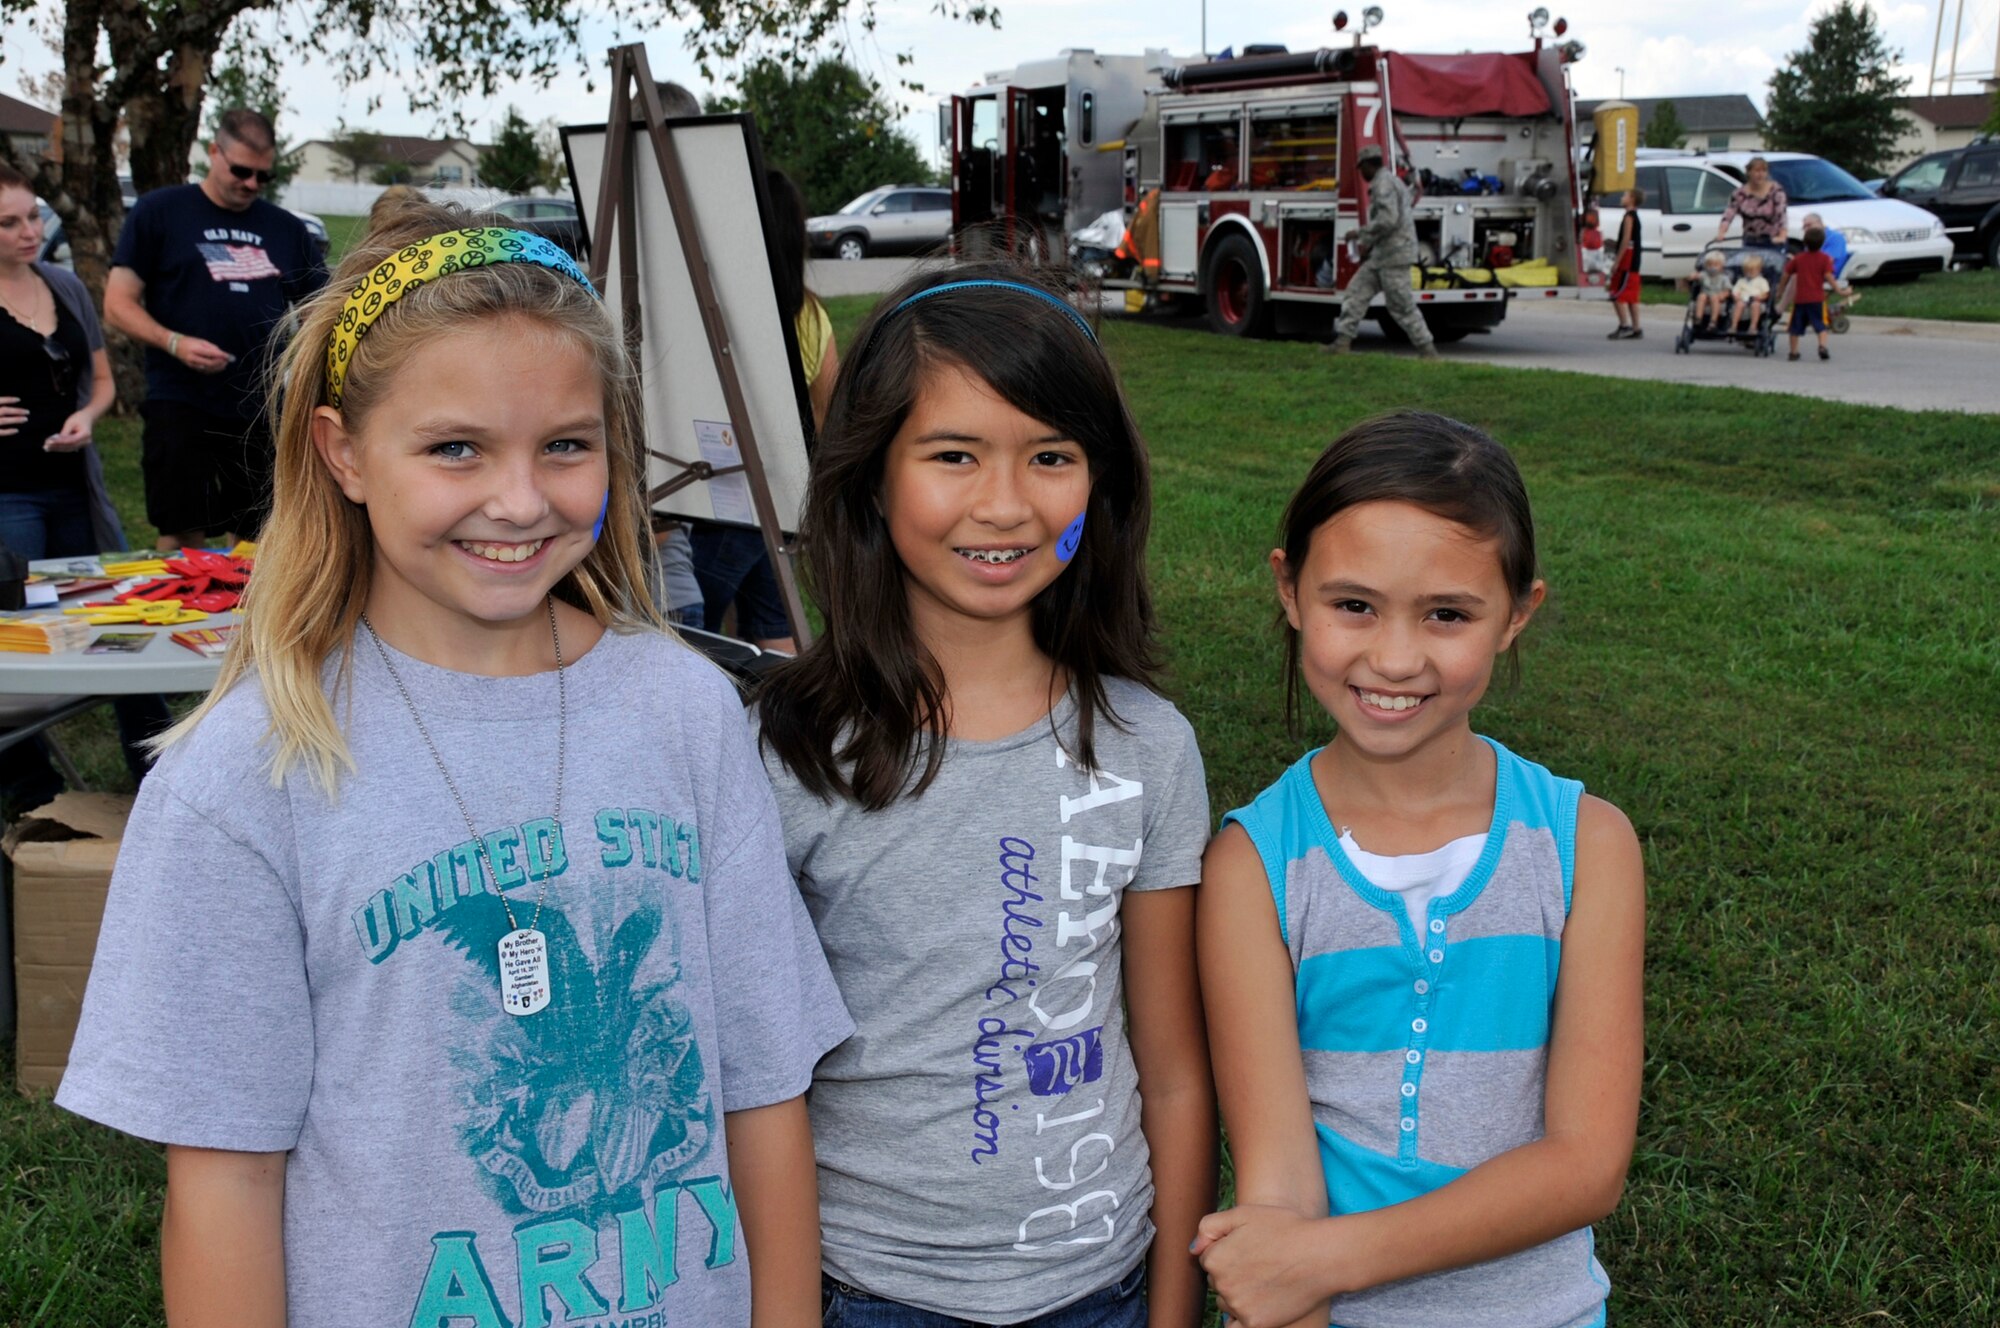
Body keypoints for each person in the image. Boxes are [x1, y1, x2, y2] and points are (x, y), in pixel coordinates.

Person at [56, 198, 852, 1327]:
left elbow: (763, 1082)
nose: (520, 501)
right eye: (455, 447)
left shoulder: (687, 709)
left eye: (566, 445)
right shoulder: (245, 777)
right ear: (343, 452)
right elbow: (226, 1176)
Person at [755, 263, 1216, 1328]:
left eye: (1049, 456)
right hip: (867, 1291)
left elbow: (1174, 1066)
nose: (1004, 503)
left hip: (1101, 1287)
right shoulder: (784, 753)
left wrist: (1174, 1304)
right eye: (953, 454)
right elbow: (754, 1080)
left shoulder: (1150, 746)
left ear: (1098, 483)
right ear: (872, 474)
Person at [1190, 411, 1644, 1328]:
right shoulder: (1254, 865)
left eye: (1447, 614)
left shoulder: (1587, 846)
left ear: (1518, 614)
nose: (1395, 658)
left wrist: (1317, 1263)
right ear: (1290, 590)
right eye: (1353, 605)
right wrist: (1301, 1283)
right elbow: (1279, 1182)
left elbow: (1586, 1165)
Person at [0, 163, 170, 813]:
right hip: (9, 495)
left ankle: (157, 772)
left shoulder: (65, 285)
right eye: (9, 222)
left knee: (125, 617)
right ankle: (31, 788)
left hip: (76, 487)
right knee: (15, 635)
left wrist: (87, 417)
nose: (29, 231)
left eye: (33, 216)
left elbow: (100, 383)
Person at [102, 107, 327, 550]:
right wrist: (174, 342)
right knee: (183, 526)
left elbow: (318, 308)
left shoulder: (284, 228)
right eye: (241, 170)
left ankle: (249, 618)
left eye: (262, 176)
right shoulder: (161, 212)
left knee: (259, 532)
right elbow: (116, 304)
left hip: (258, 403)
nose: (250, 184)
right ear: (212, 153)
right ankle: (179, 614)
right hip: (181, 398)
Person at [1327, 146, 1439, 359]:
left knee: (1401, 305)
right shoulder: (1391, 181)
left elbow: (1388, 220)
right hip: (1382, 255)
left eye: (1362, 169)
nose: (1361, 174)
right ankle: (1342, 342)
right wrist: (1368, 244)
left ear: (1370, 165)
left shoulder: (1383, 184)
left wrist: (1360, 234)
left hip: (1394, 255)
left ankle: (1428, 351)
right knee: (1355, 294)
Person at [1783, 227, 1837, 362]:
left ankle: (1794, 352)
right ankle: (1822, 346)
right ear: (1822, 243)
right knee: (1820, 324)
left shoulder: (1799, 258)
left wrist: (1780, 289)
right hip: (1817, 298)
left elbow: (1786, 273)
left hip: (1800, 299)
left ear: (1805, 242)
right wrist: (1839, 289)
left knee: (1795, 327)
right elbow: (1828, 276)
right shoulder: (1825, 259)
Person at [1714, 156, 1788, 249]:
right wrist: (1722, 232)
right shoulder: (1740, 193)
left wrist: (1782, 235)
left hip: (1773, 240)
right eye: (1757, 171)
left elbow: (1781, 215)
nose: (1760, 174)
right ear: (1749, 172)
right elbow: (1729, 214)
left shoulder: (1776, 191)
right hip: (1750, 240)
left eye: (1763, 171)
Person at [1799, 211, 1860, 308]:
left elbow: (1827, 262)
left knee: (1795, 277)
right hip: (1817, 272)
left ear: (1819, 222)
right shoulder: (1812, 239)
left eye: (1809, 225)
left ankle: (1782, 308)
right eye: (1804, 227)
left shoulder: (1835, 238)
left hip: (1829, 273)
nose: (1806, 229)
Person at [1609, 186, 1644, 339]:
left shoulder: (1629, 217)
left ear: (1632, 199)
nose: (1622, 197)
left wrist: (1617, 261)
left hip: (1627, 261)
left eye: (1625, 195)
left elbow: (1626, 240)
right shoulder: (1635, 216)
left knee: (1617, 294)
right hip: (1635, 261)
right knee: (1632, 297)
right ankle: (1637, 328)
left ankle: (1625, 325)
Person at [1729, 252, 1770, 337]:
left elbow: (1765, 294)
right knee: (1739, 305)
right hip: (1743, 300)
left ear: (1759, 270)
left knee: (1755, 305)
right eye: (1747, 271)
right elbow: (1735, 291)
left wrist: (1760, 297)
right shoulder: (1741, 281)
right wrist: (1736, 297)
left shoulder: (1761, 281)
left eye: (1752, 271)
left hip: (1756, 300)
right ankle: (1733, 325)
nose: (1749, 273)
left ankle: (1753, 326)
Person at [1692, 248, 1732, 330]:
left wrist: (1724, 295)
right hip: (1706, 296)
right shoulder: (1704, 274)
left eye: (1715, 265)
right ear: (1706, 266)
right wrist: (1694, 276)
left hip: (1717, 297)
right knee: (1701, 296)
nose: (1712, 267)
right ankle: (1698, 318)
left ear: (1722, 266)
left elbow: (1727, 290)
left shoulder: (1724, 277)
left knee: (1714, 298)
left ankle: (1713, 321)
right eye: (1709, 265)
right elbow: (1694, 276)